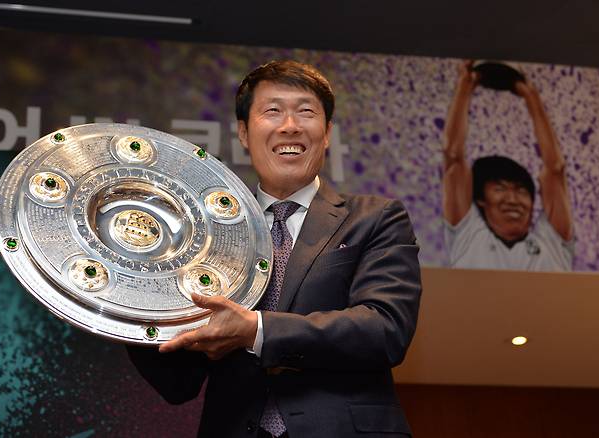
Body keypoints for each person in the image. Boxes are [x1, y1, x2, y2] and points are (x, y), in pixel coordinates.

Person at [127, 60, 422, 437]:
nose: (290, 126)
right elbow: (178, 383)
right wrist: (127, 307)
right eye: (273, 111)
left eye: (306, 112)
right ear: (244, 132)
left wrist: (257, 330)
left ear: (327, 133)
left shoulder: (376, 217)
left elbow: (385, 329)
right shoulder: (208, 236)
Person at [442, 60, 574, 271]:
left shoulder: (552, 243)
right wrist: (466, 85)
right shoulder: (468, 237)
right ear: (481, 200)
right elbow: (453, 155)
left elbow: (555, 168)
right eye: (500, 189)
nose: (513, 200)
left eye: (521, 191)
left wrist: (530, 96)